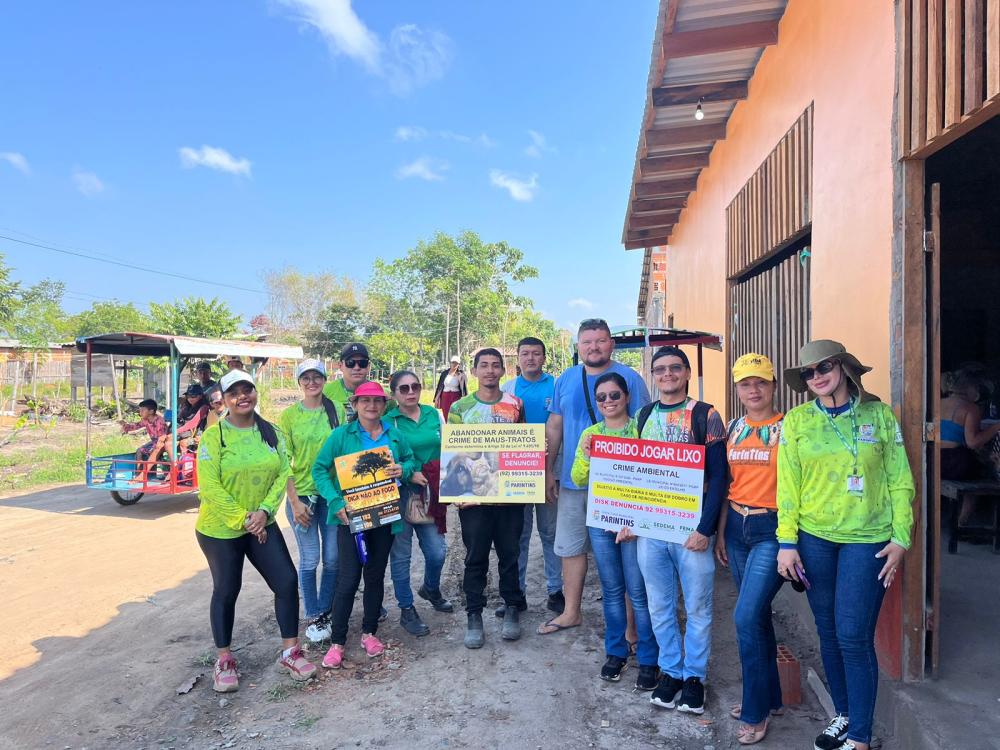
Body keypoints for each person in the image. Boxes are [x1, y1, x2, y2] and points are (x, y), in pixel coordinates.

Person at [776, 340, 914, 750]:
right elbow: (789, 486)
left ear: (844, 368)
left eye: (825, 367)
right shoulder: (798, 422)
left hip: (868, 540)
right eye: (809, 373)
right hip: (814, 540)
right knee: (829, 632)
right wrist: (787, 541)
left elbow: (900, 479)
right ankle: (844, 714)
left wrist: (902, 537)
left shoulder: (879, 415)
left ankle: (860, 737)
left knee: (853, 634)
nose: (817, 377)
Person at [195, 370, 316, 692]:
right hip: (220, 529)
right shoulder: (214, 436)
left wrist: (264, 512)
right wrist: (245, 520)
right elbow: (209, 486)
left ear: (255, 391)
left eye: (247, 389)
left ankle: (290, 650)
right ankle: (223, 659)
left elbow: (283, 474)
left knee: (287, 582)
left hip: (262, 522)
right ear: (224, 399)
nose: (242, 396)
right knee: (226, 589)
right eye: (233, 392)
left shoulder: (271, 432)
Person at [540, 318, 650, 635]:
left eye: (600, 340)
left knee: (625, 553)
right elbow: (555, 426)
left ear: (611, 344)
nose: (594, 347)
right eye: (587, 342)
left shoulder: (630, 378)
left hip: (621, 485)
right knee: (571, 547)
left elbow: (644, 428)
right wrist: (548, 469)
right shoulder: (566, 379)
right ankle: (571, 612)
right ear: (578, 346)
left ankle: (630, 627)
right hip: (576, 482)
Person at [635, 345, 727, 715]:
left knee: (699, 604)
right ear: (653, 376)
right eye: (660, 370)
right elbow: (633, 471)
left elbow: (720, 476)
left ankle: (695, 677)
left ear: (687, 373)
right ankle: (670, 671)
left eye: (675, 368)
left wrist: (706, 528)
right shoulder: (643, 415)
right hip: (652, 527)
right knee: (659, 604)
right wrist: (629, 518)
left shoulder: (706, 414)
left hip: (692, 527)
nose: (667, 374)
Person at [312, 381, 423, 668]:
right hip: (351, 519)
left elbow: (411, 461)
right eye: (365, 401)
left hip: (385, 517)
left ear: (384, 405)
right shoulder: (340, 436)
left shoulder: (394, 436)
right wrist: (336, 503)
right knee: (348, 579)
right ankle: (338, 641)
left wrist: (405, 469)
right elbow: (319, 470)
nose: (371, 406)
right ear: (355, 404)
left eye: (377, 401)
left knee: (374, 576)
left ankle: (369, 632)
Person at [570, 372, 659, 690]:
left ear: (627, 397)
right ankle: (616, 652)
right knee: (611, 591)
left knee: (638, 592)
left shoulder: (642, 430)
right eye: (602, 397)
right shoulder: (591, 433)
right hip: (601, 520)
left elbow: (654, 474)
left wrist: (638, 520)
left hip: (634, 522)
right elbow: (579, 478)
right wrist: (586, 455)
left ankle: (649, 658)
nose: (608, 402)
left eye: (614, 395)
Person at [713, 354, 785, 745]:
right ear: (737, 389)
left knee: (744, 617)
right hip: (738, 527)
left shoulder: (789, 427)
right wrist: (722, 532)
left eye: (761, 382)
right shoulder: (735, 427)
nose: (753, 390)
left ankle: (756, 711)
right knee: (756, 618)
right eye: (745, 384)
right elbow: (727, 484)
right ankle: (770, 697)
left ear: (774, 385)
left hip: (772, 528)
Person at [448, 348, 527, 648]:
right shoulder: (460, 408)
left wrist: (536, 452)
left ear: (504, 370)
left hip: (509, 496)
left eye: (496, 366)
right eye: (484, 366)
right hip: (474, 499)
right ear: (475, 370)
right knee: (475, 557)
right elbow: (454, 453)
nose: (490, 371)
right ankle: (474, 615)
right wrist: (457, 492)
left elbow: (523, 445)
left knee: (510, 555)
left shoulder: (515, 404)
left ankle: (511, 608)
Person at [278, 358, 343, 643]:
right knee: (309, 559)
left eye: (317, 377)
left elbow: (343, 451)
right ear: (299, 382)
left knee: (332, 558)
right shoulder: (289, 416)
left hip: (331, 494)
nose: (312, 382)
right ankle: (314, 614)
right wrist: (293, 501)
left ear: (325, 379)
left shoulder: (337, 409)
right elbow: (282, 463)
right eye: (306, 378)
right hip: (302, 496)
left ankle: (324, 612)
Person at [386, 370, 453, 637]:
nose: (410, 392)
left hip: (430, 493)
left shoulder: (434, 415)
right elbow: (384, 458)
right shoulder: (387, 422)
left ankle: (431, 588)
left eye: (415, 386)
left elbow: (451, 447)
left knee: (437, 551)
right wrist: (406, 471)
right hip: (399, 493)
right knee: (401, 556)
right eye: (403, 389)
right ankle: (406, 609)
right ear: (394, 394)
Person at [500, 336, 564, 615]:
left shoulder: (556, 386)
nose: (530, 358)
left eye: (536, 354)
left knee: (550, 532)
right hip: (517, 469)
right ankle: (517, 594)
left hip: (551, 467)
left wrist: (551, 469)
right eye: (525, 353)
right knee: (518, 534)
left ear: (544, 358)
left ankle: (556, 590)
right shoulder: (507, 389)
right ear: (518, 358)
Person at [940, 367, 1000, 522]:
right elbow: (973, 442)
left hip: (935, 461)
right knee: (983, 471)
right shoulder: (970, 408)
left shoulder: (936, 404)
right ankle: (963, 522)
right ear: (971, 389)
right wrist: (996, 427)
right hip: (956, 463)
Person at [324, 342, 372, 422]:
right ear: (340, 366)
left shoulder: (381, 394)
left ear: (368, 366)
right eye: (350, 363)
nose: (357, 368)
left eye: (362, 363)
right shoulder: (326, 392)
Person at [121, 398, 169, 474]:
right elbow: (136, 426)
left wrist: (153, 448)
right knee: (139, 451)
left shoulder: (159, 421)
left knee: (152, 452)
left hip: (163, 442)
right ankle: (139, 472)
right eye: (140, 410)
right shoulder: (145, 420)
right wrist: (125, 426)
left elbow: (161, 438)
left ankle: (155, 472)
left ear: (151, 411)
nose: (140, 413)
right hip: (154, 442)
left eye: (142, 410)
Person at [433, 355, 468, 420]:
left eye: (456, 363)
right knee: (446, 414)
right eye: (453, 362)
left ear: (458, 364)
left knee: (455, 415)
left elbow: (464, 387)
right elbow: (440, 386)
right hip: (445, 397)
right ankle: (448, 428)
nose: (454, 364)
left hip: (456, 397)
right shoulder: (444, 373)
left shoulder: (461, 374)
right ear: (450, 363)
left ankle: (454, 429)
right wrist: (437, 398)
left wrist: (460, 378)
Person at [176, 383, 209, 451]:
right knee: (161, 441)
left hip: (196, 435)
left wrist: (176, 432)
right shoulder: (186, 407)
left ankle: (180, 461)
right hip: (184, 432)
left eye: (193, 396)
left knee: (180, 443)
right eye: (188, 396)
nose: (190, 398)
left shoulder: (204, 407)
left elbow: (193, 423)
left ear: (200, 396)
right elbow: (178, 419)